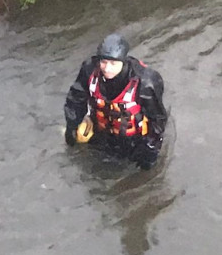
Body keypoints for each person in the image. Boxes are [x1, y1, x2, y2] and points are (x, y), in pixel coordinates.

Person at [64, 33, 168, 170]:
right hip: (101, 133)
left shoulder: (146, 83)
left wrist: (151, 150)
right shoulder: (89, 70)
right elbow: (76, 98)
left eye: (113, 63)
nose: (107, 69)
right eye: (104, 62)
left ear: (123, 61)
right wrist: (71, 127)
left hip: (134, 141)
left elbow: (158, 119)